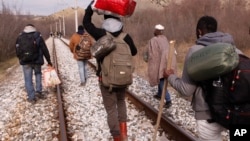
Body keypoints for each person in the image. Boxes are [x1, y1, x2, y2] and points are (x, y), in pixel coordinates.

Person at [163, 16, 243, 141]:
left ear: (199, 31)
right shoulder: (236, 51)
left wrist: (170, 76)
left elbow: (186, 90)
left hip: (207, 115)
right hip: (236, 113)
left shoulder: (195, 52)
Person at [83, 2, 137, 141]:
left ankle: (117, 138)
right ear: (119, 21)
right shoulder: (126, 36)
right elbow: (134, 51)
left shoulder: (101, 34)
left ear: (105, 20)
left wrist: (91, 7)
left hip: (106, 80)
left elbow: (86, 23)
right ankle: (124, 134)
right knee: (121, 103)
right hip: (123, 79)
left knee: (111, 109)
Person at [15, 24, 52, 104]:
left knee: (28, 79)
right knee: (38, 74)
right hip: (37, 61)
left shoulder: (20, 37)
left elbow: (17, 50)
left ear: (25, 29)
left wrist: (21, 58)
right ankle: (38, 92)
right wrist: (49, 61)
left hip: (25, 62)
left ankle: (31, 97)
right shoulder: (38, 36)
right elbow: (44, 49)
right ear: (34, 29)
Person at [147, 24, 177, 108]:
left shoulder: (153, 40)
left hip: (160, 63)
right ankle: (160, 94)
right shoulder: (165, 39)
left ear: (156, 31)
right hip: (167, 62)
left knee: (160, 80)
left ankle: (168, 100)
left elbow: (153, 54)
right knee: (161, 79)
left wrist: (152, 64)